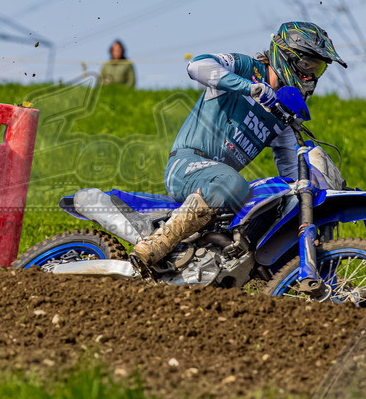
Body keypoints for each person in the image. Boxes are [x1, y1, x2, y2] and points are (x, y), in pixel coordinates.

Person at [129, 21, 346, 276]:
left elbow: (290, 174)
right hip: (187, 165)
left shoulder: (283, 114)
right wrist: (248, 87)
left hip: (221, 186)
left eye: (318, 68)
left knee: (274, 204)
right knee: (234, 183)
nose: (310, 76)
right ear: (287, 55)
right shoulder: (245, 68)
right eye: (308, 64)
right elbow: (196, 66)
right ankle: (154, 244)